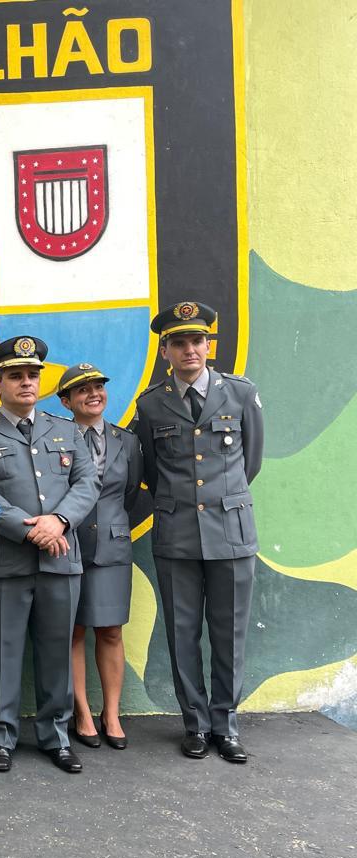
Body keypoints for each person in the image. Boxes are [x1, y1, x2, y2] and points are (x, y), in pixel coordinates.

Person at [0, 336, 100, 774]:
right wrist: (29, 529)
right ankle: (0, 735)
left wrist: (59, 522)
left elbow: (87, 483)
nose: (26, 382)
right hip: (4, 564)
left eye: (32, 375)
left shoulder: (66, 429)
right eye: (15, 375)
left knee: (57, 653)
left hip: (60, 561)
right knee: (2, 652)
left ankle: (56, 736)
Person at [134, 302, 263, 763]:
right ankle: (195, 724)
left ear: (209, 345)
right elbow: (148, 469)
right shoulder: (150, 405)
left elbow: (251, 463)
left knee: (229, 633)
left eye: (197, 341)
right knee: (182, 632)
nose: (190, 349)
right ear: (165, 350)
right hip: (177, 534)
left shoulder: (241, 395)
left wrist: (221, 501)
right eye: (179, 343)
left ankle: (225, 725)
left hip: (230, 531)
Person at [57, 363, 143, 751]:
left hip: (112, 546)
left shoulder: (127, 442)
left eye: (98, 387)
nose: (93, 394)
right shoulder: (55, 439)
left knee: (110, 630)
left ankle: (111, 712)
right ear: (66, 401)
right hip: (68, 544)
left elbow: (130, 494)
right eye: (82, 390)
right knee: (72, 632)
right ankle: (83, 713)